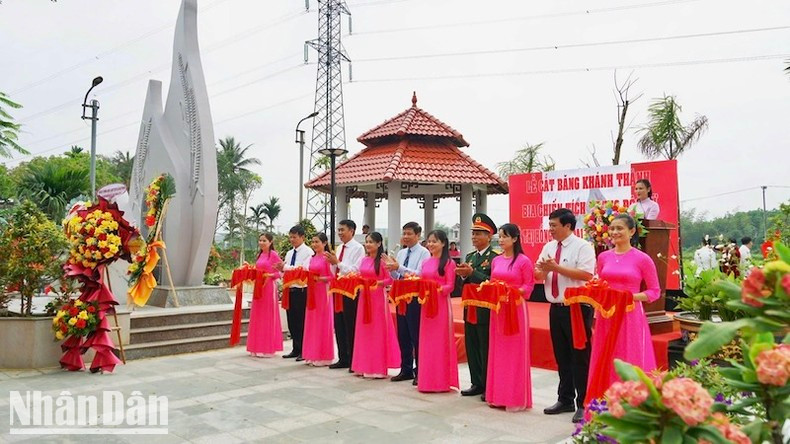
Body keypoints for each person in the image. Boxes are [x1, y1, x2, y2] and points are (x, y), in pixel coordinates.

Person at [534, 209, 595, 423]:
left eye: (554, 225)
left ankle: (585, 403)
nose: (550, 229)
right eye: (549, 225)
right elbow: (539, 273)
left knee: (580, 356)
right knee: (562, 356)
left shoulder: (583, 246)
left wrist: (556, 267)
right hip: (555, 307)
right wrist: (543, 271)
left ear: (568, 226)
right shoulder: (549, 247)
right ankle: (565, 398)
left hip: (576, 307)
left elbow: (587, 275)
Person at [589, 214, 660, 391]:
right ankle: (603, 402)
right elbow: (601, 284)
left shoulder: (643, 259)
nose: (614, 232)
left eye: (619, 228)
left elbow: (654, 292)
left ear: (632, 231)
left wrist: (630, 297)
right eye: (612, 228)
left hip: (630, 314)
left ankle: (631, 403)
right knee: (606, 355)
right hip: (606, 314)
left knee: (629, 355)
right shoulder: (604, 257)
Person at [486, 223, 535, 411]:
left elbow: (529, 287)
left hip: (515, 308)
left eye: (505, 236)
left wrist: (512, 291)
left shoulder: (523, 261)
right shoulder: (496, 261)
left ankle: (514, 397)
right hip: (498, 309)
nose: (502, 239)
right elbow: (492, 282)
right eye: (500, 236)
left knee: (514, 352)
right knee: (498, 351)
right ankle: (497, 395)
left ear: (515, 239)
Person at [455, 213, 498, 399]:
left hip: (485, 308)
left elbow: (492, 281)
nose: (474, 237)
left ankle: (488, 384)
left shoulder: (496, 257)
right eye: (473, 233)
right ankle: (476, 382)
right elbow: (467, 281)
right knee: (471, 344)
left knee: (485, 346)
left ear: (489, 236)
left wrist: (473, 274)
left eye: (479, 233)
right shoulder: (470, 256)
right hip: (469, 306)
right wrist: (464, 275)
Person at [387, 222, 430, 384]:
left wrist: (400, 267)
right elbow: (396, 276)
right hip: (400, 297)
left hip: (415, 298)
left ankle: (420, 370)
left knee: (416, 335)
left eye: (409, 233)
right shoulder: (401, 252)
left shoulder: (424, 253)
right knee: (403, 334)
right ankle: (405, 369)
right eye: (404, 233)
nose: (405, 236)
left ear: (418, 235)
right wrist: (391, 268)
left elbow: (419, 274)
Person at [352, 232, 400, 378]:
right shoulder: (364, 260)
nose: (368, 245)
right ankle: (362, 365)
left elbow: (389, 280)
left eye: (371, 242)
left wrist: (376, 283)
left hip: (377, 299)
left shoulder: (384, 261)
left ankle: (378, 367)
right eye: (366, 242)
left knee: (377, 332)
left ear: (379, 244)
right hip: (364, 298)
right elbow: (359, 275)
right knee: (363, 331)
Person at [417, 230, 458, 393]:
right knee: (427, 343)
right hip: (426, 306)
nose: (431, 244)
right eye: (429, 241)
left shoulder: (448, 263)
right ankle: (427, 380)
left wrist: (436, 289)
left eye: (434, 241)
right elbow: (421, 280)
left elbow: (451, 286)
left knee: (440, 342)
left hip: (440, 306)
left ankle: (441, 381)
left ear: (443, 243)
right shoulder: (426, 262)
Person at [324, 219, 365, 370]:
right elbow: (336, 269)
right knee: (339, 324)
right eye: (339, 230)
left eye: (343, 230)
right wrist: (332, 264)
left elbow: (355, 270)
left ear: (352, 231)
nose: (340, 233)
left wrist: (338, 263)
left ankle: (354, 359)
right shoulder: (340, 247)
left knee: (350, 324)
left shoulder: (358, 248)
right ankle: (343, 357)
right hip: (338, 289)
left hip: (350, 291)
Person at [275, 225, 313, 360]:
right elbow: (286, 269)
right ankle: (295, 348)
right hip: (289, 288)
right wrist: (281, 269)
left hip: (301, 289)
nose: (292, 240)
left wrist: (286, 267)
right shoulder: (290, 253)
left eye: (294, 237)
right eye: (290, 237)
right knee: (291, 320)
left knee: (301, 320)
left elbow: (304, 269)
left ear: (302, 237)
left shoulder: (308, 252)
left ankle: (304, 349)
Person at [247, 233, 283, 358]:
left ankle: (267, 347)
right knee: (258, 316)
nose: (261, 242)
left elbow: (280, 272)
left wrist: (269, 275)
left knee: (267, 316)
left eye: (264, 240)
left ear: (271, 242)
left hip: (268, 288)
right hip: (258, 288)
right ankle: (256, 346)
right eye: (260, 240)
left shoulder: (273, 255)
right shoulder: (260, 255)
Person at [302, 233, 335, 366]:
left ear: (325, 243)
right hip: (312, 292)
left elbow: (333, 277)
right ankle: (311, 354)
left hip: (323, 293)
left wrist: (319, 279)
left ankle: (323, 356)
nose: (314, 244)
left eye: (317, 242)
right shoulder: (311, 258)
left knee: (322, 322)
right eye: (313, 242)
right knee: (312, 322)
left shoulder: (328, 258)